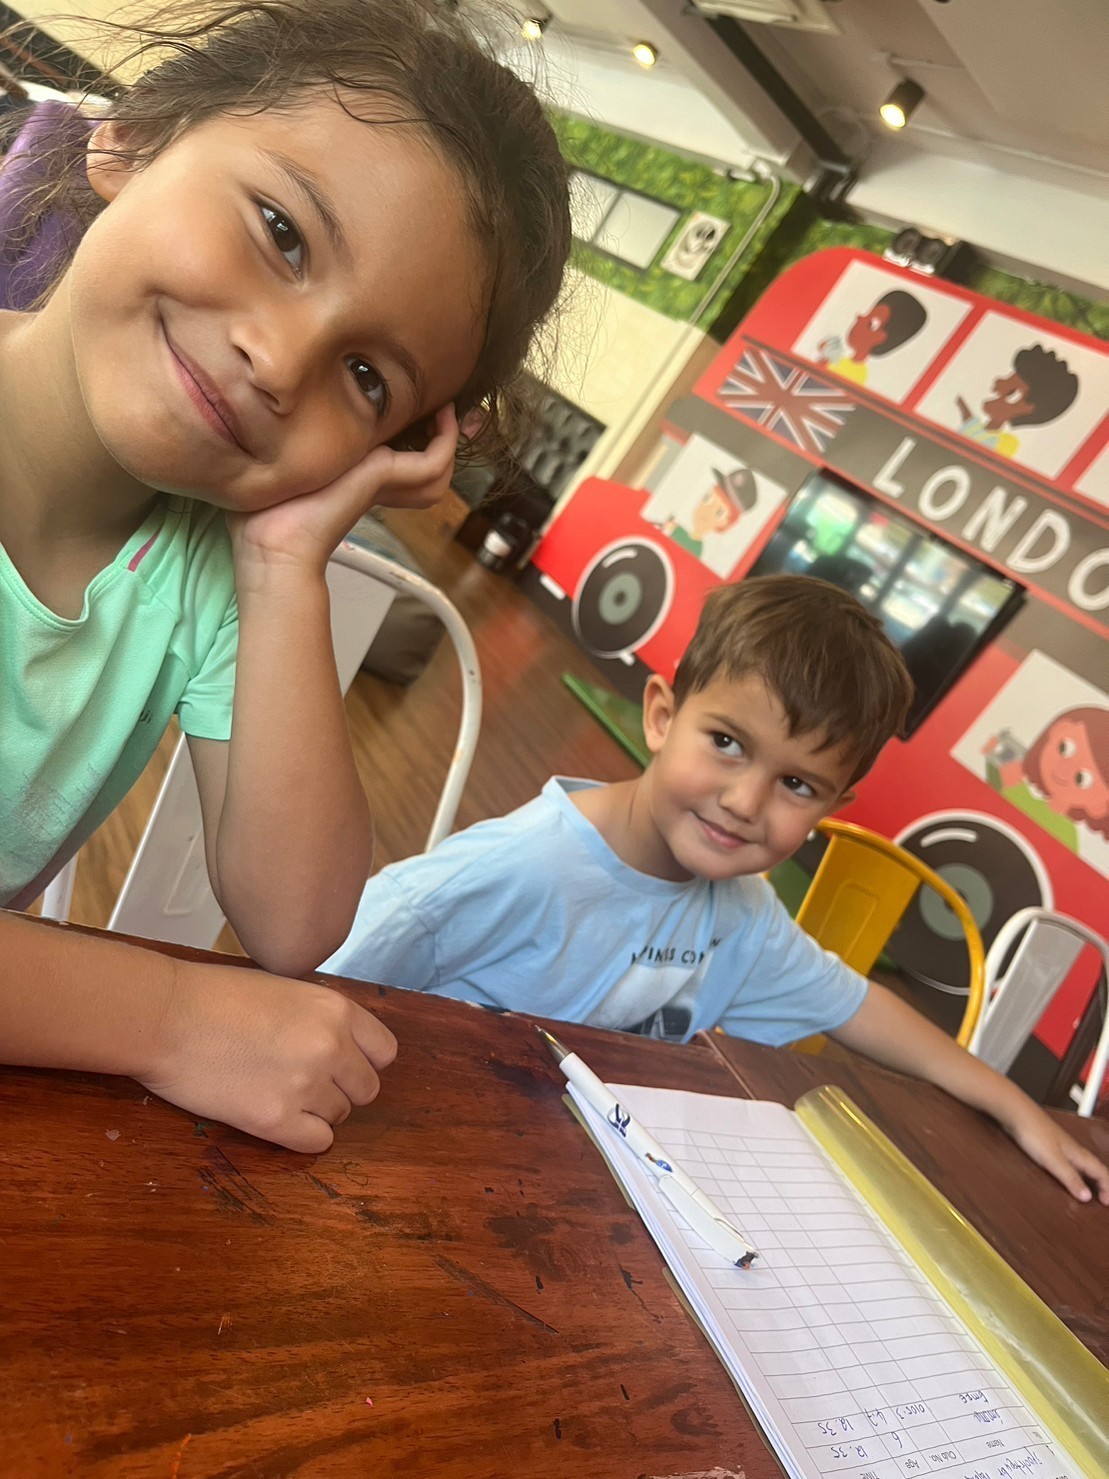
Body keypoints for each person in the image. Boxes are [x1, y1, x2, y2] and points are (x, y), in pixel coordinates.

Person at [0, 0, 570, 1152]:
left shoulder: (206, 568)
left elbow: (294, 920)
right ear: (134, 136)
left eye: (365, 378)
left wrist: (284, 559)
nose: (279, 359)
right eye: (282, 232)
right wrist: (168, 1016)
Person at [325, 576, 1109, 1203]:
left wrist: (1015, 1107)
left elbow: (858, 1006)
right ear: (661, 716)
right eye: (727, 742)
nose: (743, 800)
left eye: (795, 783)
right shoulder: (517, 867)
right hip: (406, 1158)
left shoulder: (744, 916)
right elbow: (324, 970)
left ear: (831, 807)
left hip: (562, 1175)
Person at [955, 344, 1079, 459]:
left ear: (1027, 408)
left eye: (1012, 392)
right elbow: (971, 425)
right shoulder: (978, 428)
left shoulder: (1007, 443)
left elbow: (977, 443)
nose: (998, 383)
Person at [815, 288, 927, 385]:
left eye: (872, 323)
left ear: (881, 338)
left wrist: (824, 360)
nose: (860, 318)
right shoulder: (843, 359)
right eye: (867, 314)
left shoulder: (856, 372)